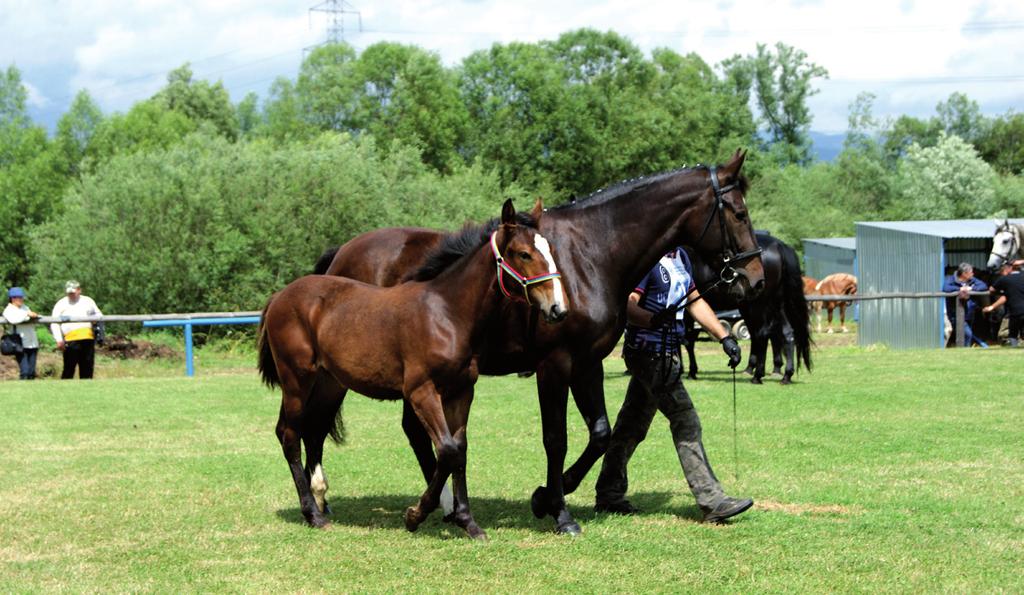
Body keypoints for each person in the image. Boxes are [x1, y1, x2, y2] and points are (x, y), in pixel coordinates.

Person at [594, 247, 753, 524]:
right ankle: (712, 500)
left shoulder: (680, 257)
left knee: (631, 426)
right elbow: (628, 302)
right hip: (649, 353)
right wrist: (651, 319)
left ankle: (609, 493)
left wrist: (724, 337)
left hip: (668, 354)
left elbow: (694, 300)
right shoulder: (648, 260)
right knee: (685, 420)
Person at [50, 280, 103, 379]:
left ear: (79, 290)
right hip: (71, 340)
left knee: (87, 367)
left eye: (73, 293)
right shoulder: (61, 304)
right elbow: (54, 323)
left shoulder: (88, 301)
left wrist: (95, 320)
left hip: (87, 338)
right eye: (69, 293)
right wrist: (59, 339)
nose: (71, 295)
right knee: (69, 368)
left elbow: (99, 314)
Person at [942, 263, 988, 348]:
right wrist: (959, 289)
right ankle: (965, 350)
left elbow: (983, 286)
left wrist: (971, 289)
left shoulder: (972, 280)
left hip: (969, 313)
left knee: (967, 334)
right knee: (968, 334)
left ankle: (964, 349)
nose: (973, 274)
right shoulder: (951, 280)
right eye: (971, 272)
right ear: (964, 274)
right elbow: (946, 288)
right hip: (955, 314)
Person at [983, 262, 1024, 347]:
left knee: (1013, 333)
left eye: (1002, 272)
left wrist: (992, 305)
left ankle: (1014, 348)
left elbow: (992, 289)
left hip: (1015, 312)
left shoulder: (1004, 279)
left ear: (1007, 270)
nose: (1001, 274)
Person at [3, 287, 40, 380]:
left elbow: (32, 315)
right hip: (20, 344)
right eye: (18, 297)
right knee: (25, 371)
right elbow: (14, 319)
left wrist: (31, 315)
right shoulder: (8, 310)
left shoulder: (25, 308)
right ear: (12, 298)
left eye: (21, 297)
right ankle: (22, 389)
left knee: (31, 372)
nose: (21, 299)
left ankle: (31, 391)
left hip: (32, 342)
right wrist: (27, 315)